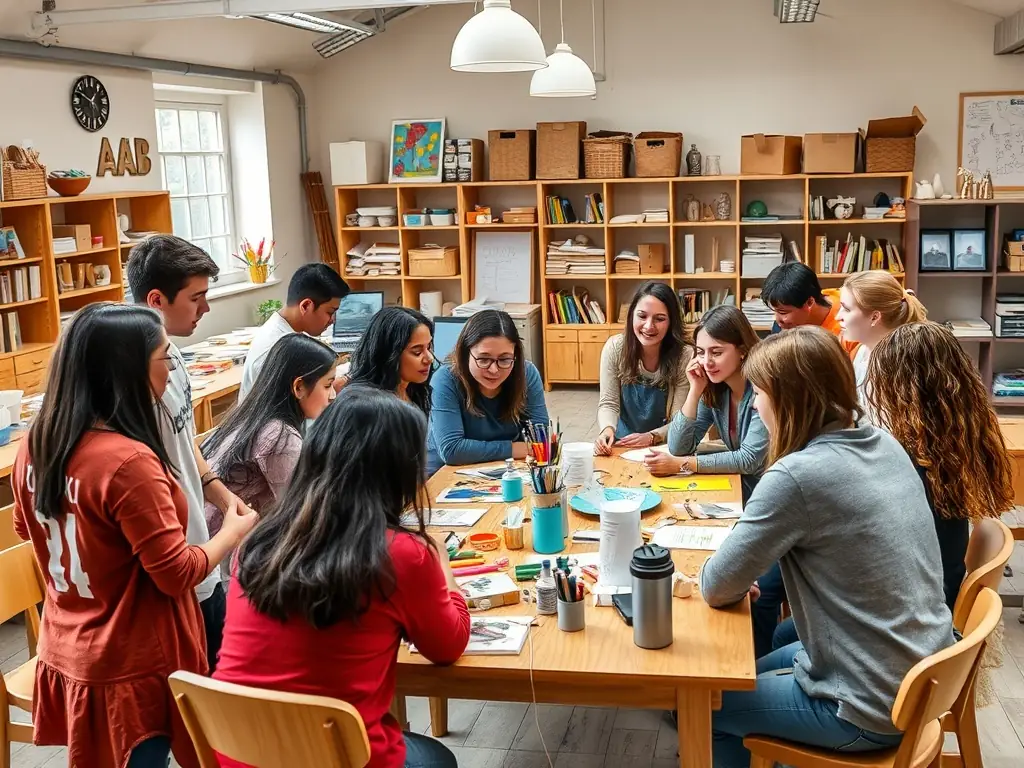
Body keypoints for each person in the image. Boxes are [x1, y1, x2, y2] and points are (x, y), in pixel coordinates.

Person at [12, 303, 256, 768]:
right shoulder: (126, 462)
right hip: (133, 658)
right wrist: (233, 531)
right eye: (165, 357)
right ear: (127, 369)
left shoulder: (36, 443)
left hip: (70, 642)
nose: (171, 368)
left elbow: (29, 526)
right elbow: (177, 573)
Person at [700, 326, 953, 768]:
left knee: (707, 705)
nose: (756, 405)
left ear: (788, 400)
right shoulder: (886, 443)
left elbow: (716, 586)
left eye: (760, 394)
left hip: (867, 705)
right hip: (922, 670)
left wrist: (734, 574)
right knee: (742, 670)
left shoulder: (796, 476)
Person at [215, 387, 470, 768]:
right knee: (436, 759)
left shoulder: (258, 542)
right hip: (338, 755)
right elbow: (448, 646)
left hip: (241, 751)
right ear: (398, 469)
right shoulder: (402, 554)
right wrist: (443, 566)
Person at [126, 234, 254, 673]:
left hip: (202, 554)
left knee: (218, 689)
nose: (206, 309)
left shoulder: (172, 357)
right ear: (156, 299)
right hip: (175, 566)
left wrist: (217, 491)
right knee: (194, 701)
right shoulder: (132, 383)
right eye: (196, 297)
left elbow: (184, 441)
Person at [869, 322, 1014, 610]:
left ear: (900, 391)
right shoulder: (946, 448)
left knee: (784, 631)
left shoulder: (914, 463)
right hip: (934, 595)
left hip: (919, 607)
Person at [202, 334, 338, 581]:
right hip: (224, 560)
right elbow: (302, 514)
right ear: (298, 387)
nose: (333, 396)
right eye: (328, 386)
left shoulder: (255, 416)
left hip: (219, 546)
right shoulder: (279, 437)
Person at [646, 305, 767, 501]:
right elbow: (678, 447)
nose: (706, 362)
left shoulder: (763, 389)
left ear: (742, 350)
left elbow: (748, 460)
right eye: (701, 352)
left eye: (716, 353)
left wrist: (681, 464)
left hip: (768, 495)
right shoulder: (715, 389)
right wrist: (694, 391)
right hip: (739, 487)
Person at [427, 310, 548, 475]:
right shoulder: (445, 379)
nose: (494, 369)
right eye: (483, 359)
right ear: (465, 353)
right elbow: (452, 450)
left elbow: (541, 440)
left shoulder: (526, 373)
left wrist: (525, 449)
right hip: (448, 473)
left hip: (511, 470)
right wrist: (515, 448)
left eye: (505, 359)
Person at [595, 281, 691, 455]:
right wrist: (607, 430)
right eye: (642, 316)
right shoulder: (615, 348)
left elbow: (680, 419)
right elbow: (608, 403)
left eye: (660, 319)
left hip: (667, 446)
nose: (649, 326)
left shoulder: (684, 356)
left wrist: (653, 436)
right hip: (622, 444)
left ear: (671, 322)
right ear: (632, 315)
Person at [239, 263, 349, 399]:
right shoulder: (276, 348)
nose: (333, 320)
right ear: (306, 306)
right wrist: (333, 388)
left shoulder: (288, 331)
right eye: (330, 312)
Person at [836, 270, 927, 421]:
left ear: (875, 317)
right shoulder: (861, 350)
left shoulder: (896, 368)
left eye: (846, 309)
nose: (837, 316)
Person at [346, 306, 434, 416]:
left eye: (429, 347)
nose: (430, 358)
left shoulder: (415, 393)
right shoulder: (368, 408)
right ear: (389, 354)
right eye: (417, 351)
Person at [761, 262, 858, 356]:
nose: (778, 320)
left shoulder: (850, 329)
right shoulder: (783, 325)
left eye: (783, 312)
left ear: (810, 302)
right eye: (775, 310)